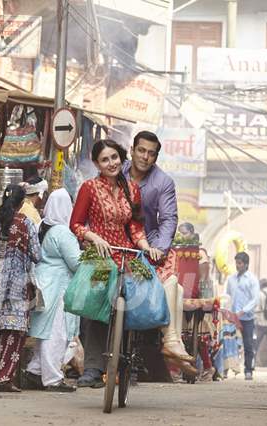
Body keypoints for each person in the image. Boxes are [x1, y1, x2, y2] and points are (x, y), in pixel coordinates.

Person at [70, 139, 178, 388]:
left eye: (114, 158)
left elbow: (135, 226)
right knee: (97, 308)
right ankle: (93, 368)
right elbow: (75, 224)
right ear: (97, 164)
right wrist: (93, 237)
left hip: (126, 254)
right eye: (105, 160)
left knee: (135, 304)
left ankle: (126, 362)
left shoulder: (132, 189)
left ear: (122, 158)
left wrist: (146, 247)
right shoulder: (88, 188)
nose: (111, 163)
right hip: (99, 256)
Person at [122, 130, 196, 369]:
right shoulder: (116, 172)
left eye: (151, 154)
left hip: (150, 246)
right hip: (116, 242)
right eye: (141, 150)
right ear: (132, 150)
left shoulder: (163, 182)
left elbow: (168, 219)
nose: (145, 157)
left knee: (172, 283)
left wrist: (159, 249)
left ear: (156, 158)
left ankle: (171, 341)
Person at [0, 184, 41, 392]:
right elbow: (37, 255)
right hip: (15, 284)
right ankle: (3, 378)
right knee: (14, 331)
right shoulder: (26, 223)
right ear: (22, 203)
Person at [24, 188, 79, 392]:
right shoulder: (62, 232)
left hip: (43, 282)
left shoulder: (42, 226)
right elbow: (75, 262)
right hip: (57, 287)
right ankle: (53, 379)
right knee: (56, 334)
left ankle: (35, 371)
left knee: (45, 333)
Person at [226, 251, 260, 380]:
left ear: (246, 264)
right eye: (236, 263)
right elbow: (228, 296)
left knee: (248, 345)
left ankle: (248, 370)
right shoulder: (231, 279)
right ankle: (227, 368)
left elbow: (255, 299)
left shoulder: (252, 280)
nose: (237, 265)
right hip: (233, 318)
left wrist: (243, 311)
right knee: (229, 343)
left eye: (239, 263)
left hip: (247, 318)